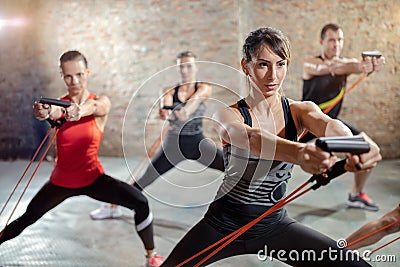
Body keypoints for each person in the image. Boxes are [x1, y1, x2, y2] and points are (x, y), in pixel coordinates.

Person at [161, 27, 382, 267]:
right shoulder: (228, 114)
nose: (273, 76)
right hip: (222, 225)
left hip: (273, 225)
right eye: (263, 65)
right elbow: (252, 139)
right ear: (246, 66)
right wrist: (299, 153)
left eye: (280, 64)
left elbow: (329, 125)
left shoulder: (300, 111)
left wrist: (351, 145)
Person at [0, 50, 163, 267]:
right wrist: (44, 112)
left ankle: (151, 255)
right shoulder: (59, 104)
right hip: (61, 182)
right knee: (26, 218)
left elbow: (95, 107)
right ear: (62, 76)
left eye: (79, 74)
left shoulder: (100, 102)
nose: (74, 81)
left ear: (87, 73)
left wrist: (79, 110)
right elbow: (55, 111)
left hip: (93, 178)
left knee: (140, 202)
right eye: (68, 76)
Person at [89, 51, 225, 219]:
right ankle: (113, 206)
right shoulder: (168, 91)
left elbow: (195, 100)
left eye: (188, 66)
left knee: (231, 166)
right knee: (146, 178)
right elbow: (165, 108)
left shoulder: (203, 87)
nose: (185, 70)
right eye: (181, 67)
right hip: (173, 146)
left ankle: (253, 205)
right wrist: (166, 114)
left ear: (195, 68)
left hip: (198, 143)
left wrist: (186, 111)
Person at [300, 23, 385, 212]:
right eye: (331, 40)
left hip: (334, 124)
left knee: (371, 150)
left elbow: (350, 65)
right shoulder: (309, 63)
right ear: (321, 41)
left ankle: (356, 194)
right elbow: (330, 68)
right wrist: (357, 66)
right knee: (274, 155)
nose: (336, 45)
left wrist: (365, 65)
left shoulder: (346, 65)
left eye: (339, 40)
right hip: (306, 122)